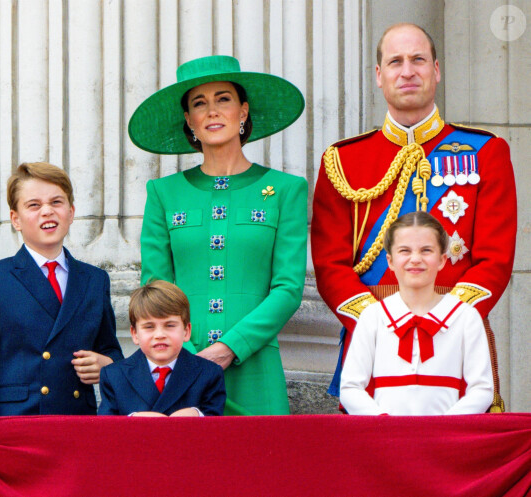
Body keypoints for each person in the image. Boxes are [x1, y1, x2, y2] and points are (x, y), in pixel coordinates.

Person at [312, 23, 516, 410]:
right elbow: (329, 263)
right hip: (369, 336)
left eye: (418, 60)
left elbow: (496, 259)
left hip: (458, 334)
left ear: (436, 70)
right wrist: (379, 325)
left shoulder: (486, 151)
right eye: (395, 62)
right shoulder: (343, 160)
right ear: (379, 76)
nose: (407, 71)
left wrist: (448, 320)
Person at [128, 55, 307, 415]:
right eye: (199, 103)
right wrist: (192, 355)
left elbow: (288, 288)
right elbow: (157, 287)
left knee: (263, 468)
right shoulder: (163, 193)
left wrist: (231, 347)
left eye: (223, 99)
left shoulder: (286, 189)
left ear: (243, 111)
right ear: (189, 120)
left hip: (255, 368)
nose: (212, 111)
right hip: (183, 368)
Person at [0, 162, 123, 416]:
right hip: (16, 421)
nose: (47, 211)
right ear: (16, 219)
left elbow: (110, 350)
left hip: (77, 419)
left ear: (71, 211)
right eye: (34, 205)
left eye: (56, 202)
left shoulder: (95, 279)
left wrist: (108, 365)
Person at [340, 212, 493, 415]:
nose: (415, 259)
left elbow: (482, 389)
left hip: (445, 440)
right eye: (404, 251)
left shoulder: (465, 317)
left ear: (442, 260)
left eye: (426, 250)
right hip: (387, 439)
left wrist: (445, 426)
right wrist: (382, 422)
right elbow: (350, 388)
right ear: (390, 261)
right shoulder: (373, 316)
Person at [98, 280, 226, 416]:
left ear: (186, 331)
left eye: (170, 325)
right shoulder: (114, 376)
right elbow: (106, 430)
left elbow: (216, 427)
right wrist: (132, 421)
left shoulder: (209, 374)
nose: (159, 335)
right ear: (135, 334)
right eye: (149, 327)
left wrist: (197, 415)